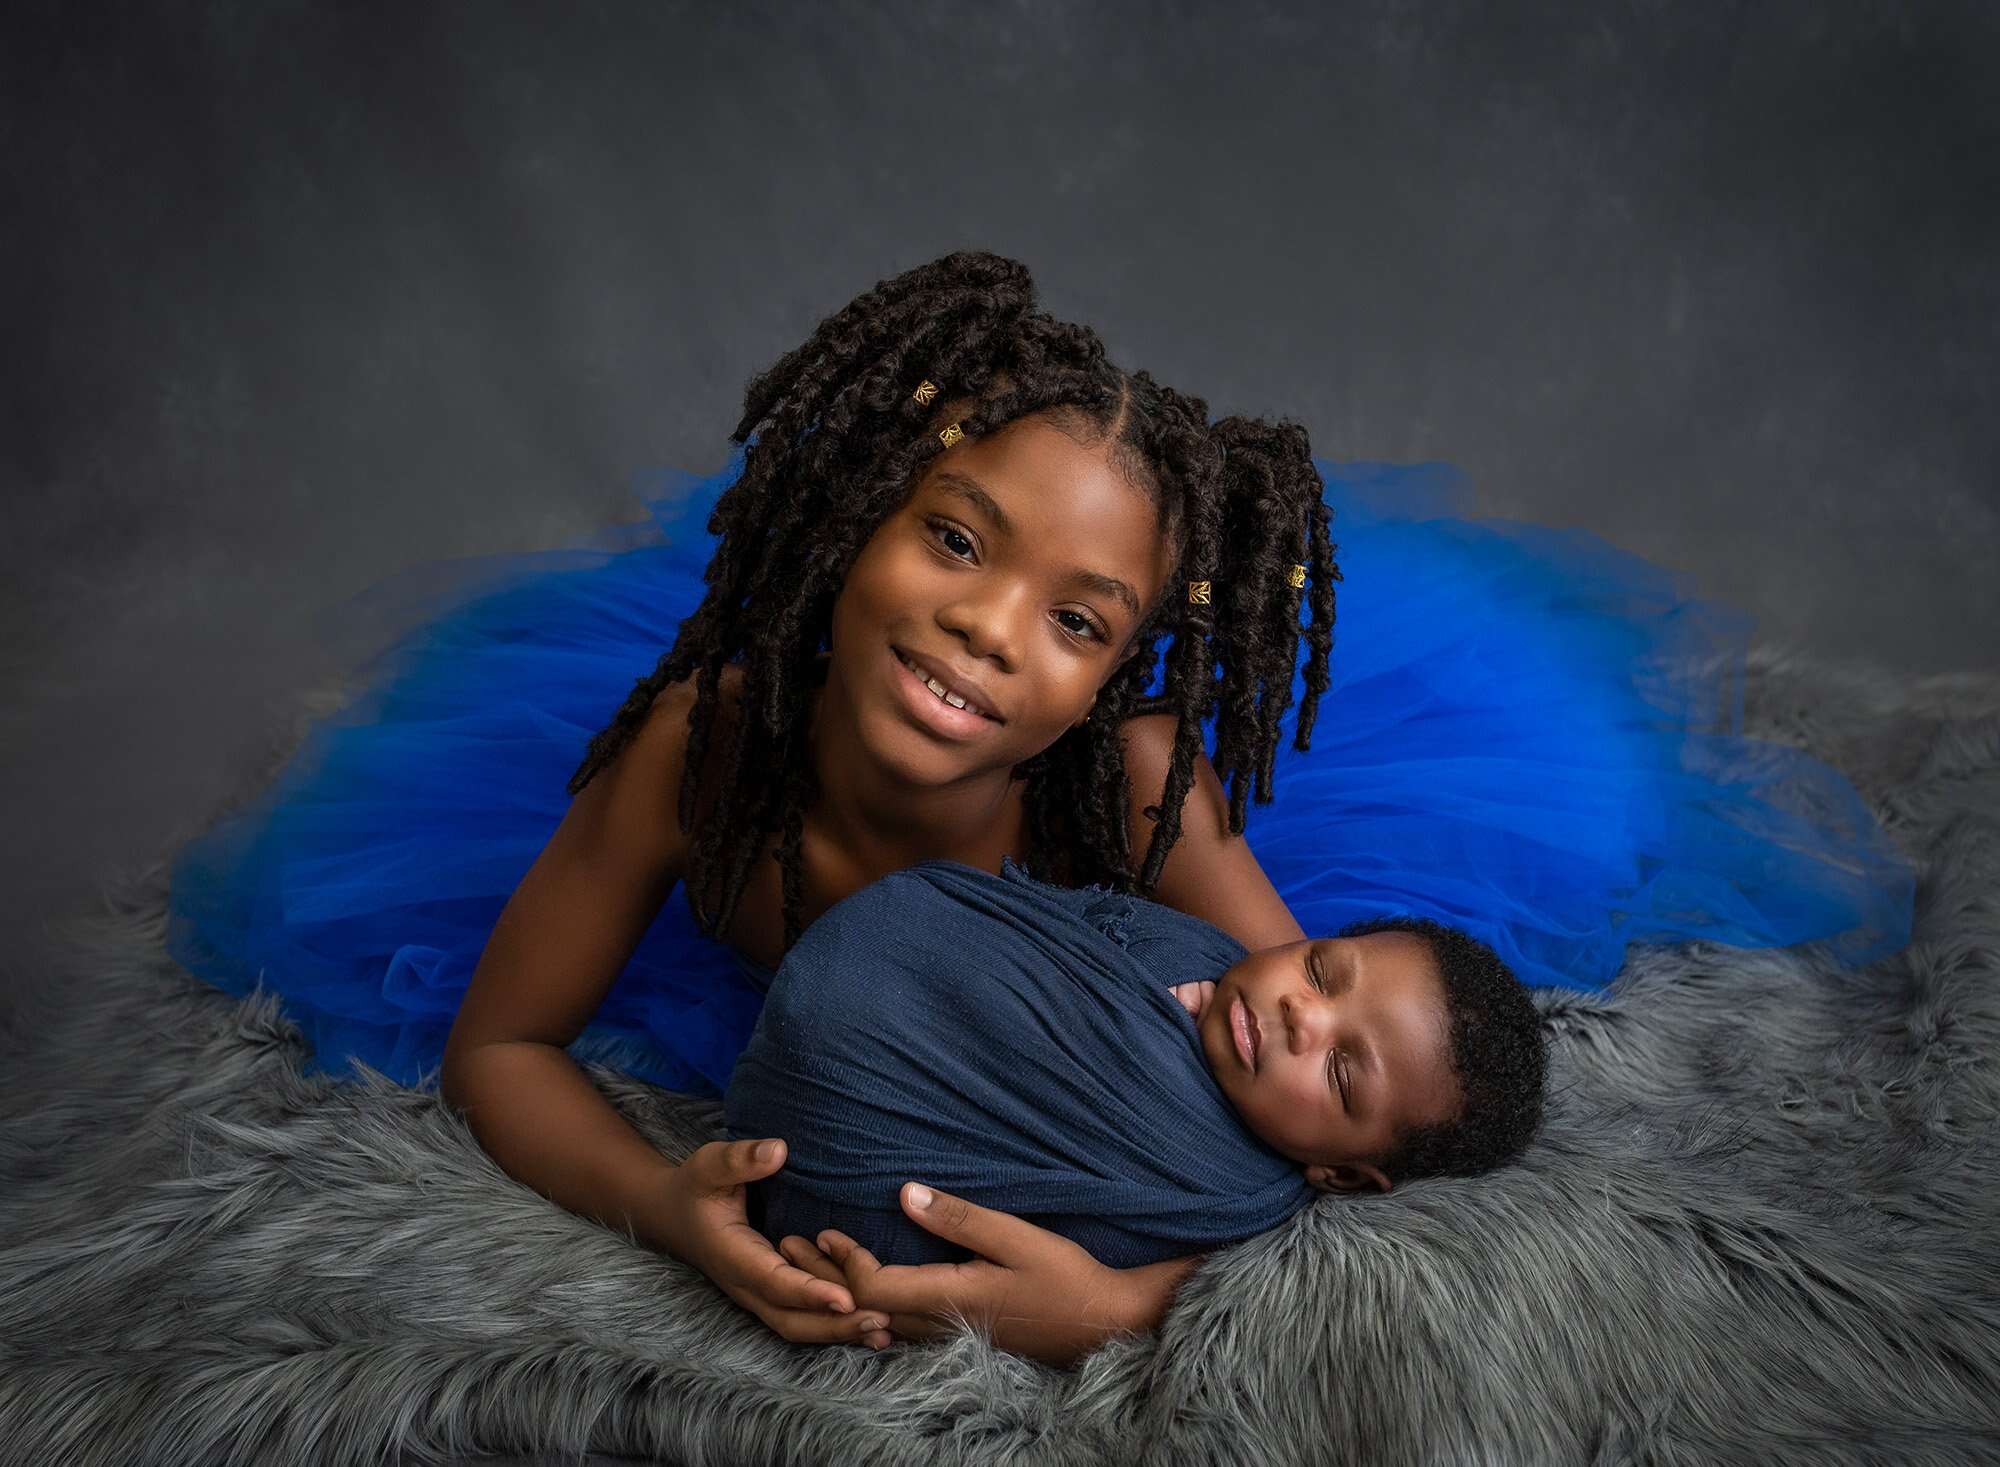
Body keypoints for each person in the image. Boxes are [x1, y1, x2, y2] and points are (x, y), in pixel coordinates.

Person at [166, 249, 1914, 1367]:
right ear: (859, 516)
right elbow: (503, 1049)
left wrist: (1118, 1302)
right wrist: (654, 1198)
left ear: (1119, 667)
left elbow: (1305, 1092)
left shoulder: (1136, 792)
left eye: (1080, 621)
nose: (987, 633)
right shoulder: (709, 749)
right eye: (952, 538)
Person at [724, 860, 1546, 1272]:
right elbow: (1052, 910)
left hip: (836, 1169)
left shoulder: (1220, 1181)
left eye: (1339, 1073)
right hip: (877, 981)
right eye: (1322, 971)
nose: (1303, 1014)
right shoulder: (1207, 951)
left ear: (1338, 1174)